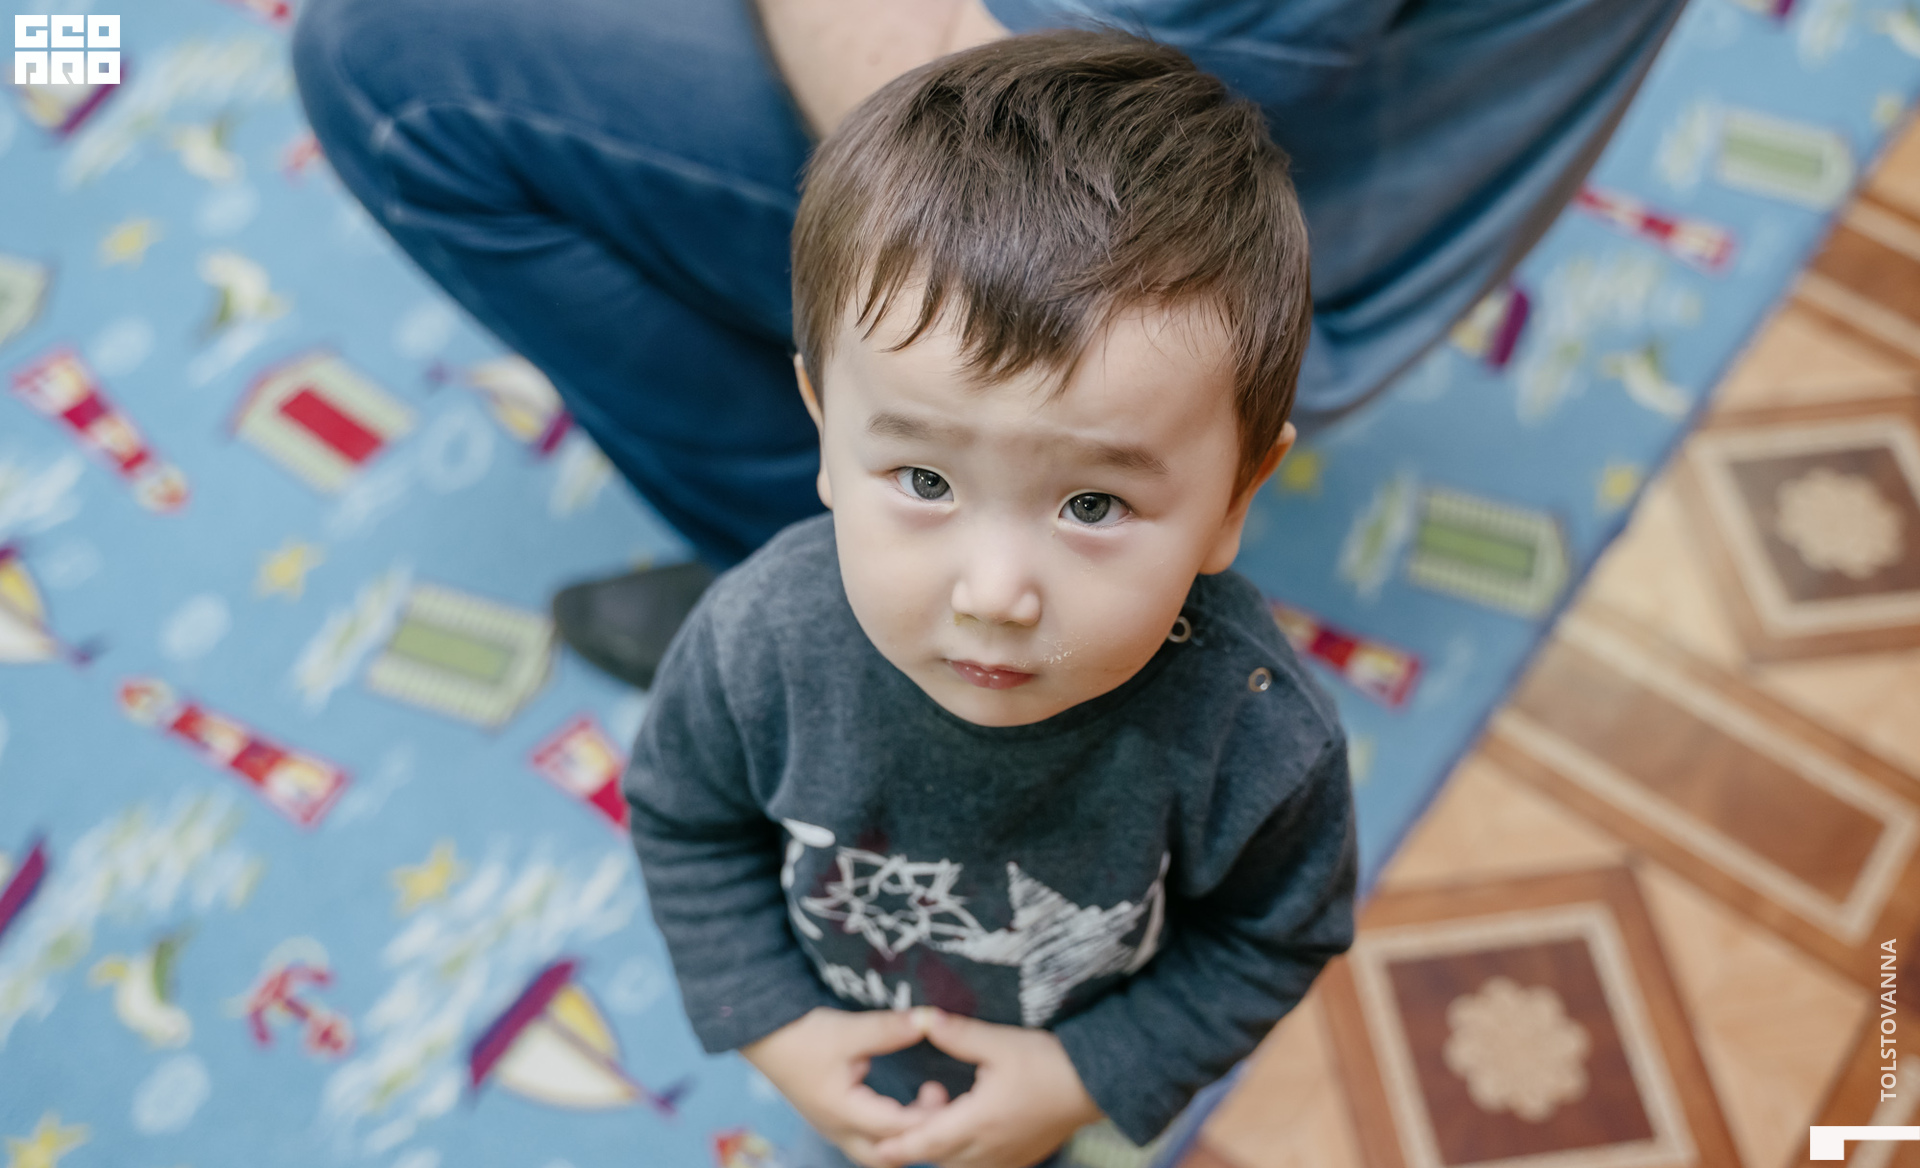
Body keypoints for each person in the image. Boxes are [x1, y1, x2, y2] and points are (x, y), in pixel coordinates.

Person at [290, 0, 1687, 690]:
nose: (1003, 598)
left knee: (387, 61)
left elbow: (1020, 169)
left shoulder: (1249, 777)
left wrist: (1069, 1086)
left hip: (1145, 231)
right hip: (1226, 141)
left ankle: (831, 637)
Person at [619, 32, 1351, 1168]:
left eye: (1093, 504)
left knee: (1017, 1133)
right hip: (842, 1013)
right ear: (825, 427)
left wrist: (1077, 1079)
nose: (996, 594)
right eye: (922, 478)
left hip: (1056, 1035)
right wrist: (786, 1036)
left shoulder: (1255, 731)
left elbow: (1275, 935)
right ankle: (845, 1135)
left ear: (1239, 490)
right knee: (854, 1095)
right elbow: (684, 822)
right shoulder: (757, 637)